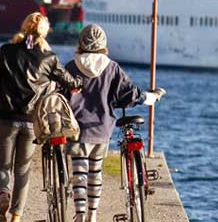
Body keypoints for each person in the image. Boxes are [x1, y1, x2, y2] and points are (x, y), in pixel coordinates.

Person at [0, 12, 82, 222]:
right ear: (44, 32)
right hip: (31, 121)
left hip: (4, 117)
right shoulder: (49, 58)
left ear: (24, 27)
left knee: (2, 167)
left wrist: (5, 89)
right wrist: (77, 83)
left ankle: (3, 195)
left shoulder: (6, 51)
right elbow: (71, 83)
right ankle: (16, 216)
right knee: (22, 170)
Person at [63, 24, 165, 222]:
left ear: (81, 44)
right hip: (101, 130)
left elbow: (59, 96)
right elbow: (129, 94)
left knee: (79, 174)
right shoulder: (111, 68)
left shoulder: (71, 67)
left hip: (77, 131)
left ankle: (80, 215)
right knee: (95, 172)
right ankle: (92, 215)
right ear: (103, 45)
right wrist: (149, 97)